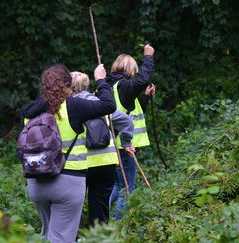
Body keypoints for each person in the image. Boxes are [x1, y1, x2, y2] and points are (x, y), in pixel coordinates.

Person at [21, 64, 115, 243]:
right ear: (67, 84)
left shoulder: (30, 111)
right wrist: (101, 80)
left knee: (47, 235)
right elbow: (108, 105)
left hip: (36, 183)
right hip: (69, 181)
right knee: (62, 238)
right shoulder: (73, 106)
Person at [70, 71, 134, 226]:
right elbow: (126, 121)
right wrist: (126, 143)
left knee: (72, 208)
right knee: (100, 209)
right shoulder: (101, 104)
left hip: (79, 164)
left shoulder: (68, 106)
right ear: (86, 85)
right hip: (106, 163)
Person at [108, 44, 156, 220]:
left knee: (117, 186)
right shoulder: (124, 86)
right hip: (126, 146)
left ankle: (100, 222)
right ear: (130, 69)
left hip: (113, 145)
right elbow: (143, 79)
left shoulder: (109, 87)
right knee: (127, 188)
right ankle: (118, 227)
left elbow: (128, 110)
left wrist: (144, 97)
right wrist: (148, 56)